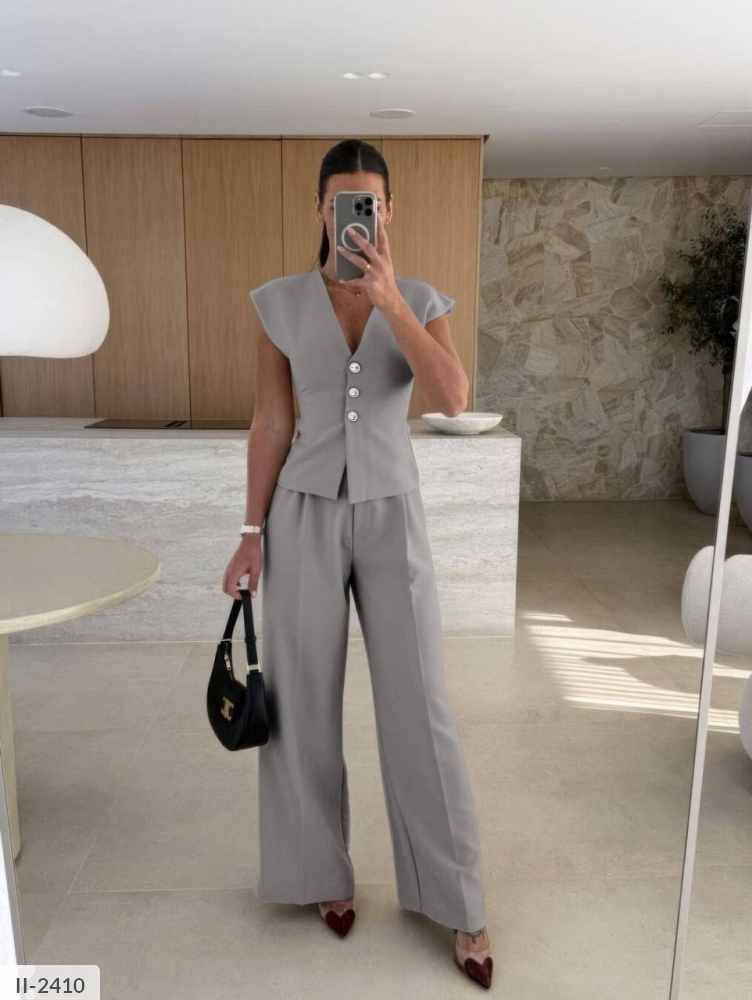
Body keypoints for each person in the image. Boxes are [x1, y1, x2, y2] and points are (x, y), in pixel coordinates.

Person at [222, 139, 493, 989]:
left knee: (421, 705)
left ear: (388, 212)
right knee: (302, 701)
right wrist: (250, 532)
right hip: (300, 515)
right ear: (319, 209)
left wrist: (390, 301)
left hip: (392, 515)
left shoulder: (420, 299)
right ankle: (319, 873)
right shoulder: (276, 305)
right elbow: (271, 423)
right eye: (343, 202)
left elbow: (453, 398)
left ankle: (457, 898)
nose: (356, 218)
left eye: (370, 204)